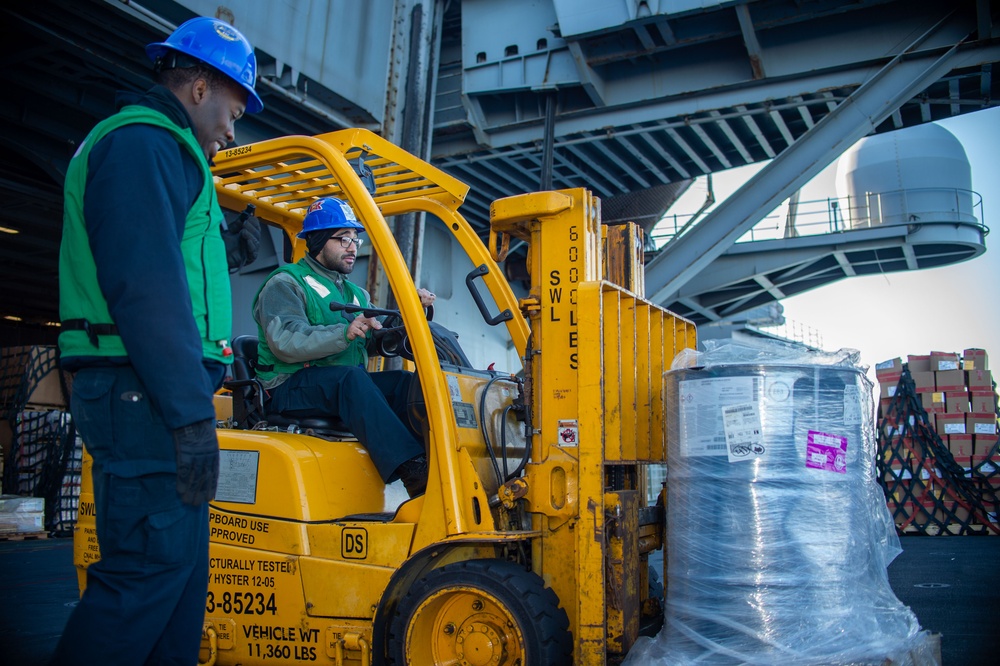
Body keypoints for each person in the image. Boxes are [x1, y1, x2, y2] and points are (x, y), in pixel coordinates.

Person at [52, 16, 263, 666]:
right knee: (146, 574)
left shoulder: (169, 154)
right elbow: (146, 285)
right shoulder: (144, 142)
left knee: (179, 585)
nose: (235, 126)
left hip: (156, 391)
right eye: (234, 107)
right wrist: (190, 412)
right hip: (141, 390)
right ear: (199, 87)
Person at [252, 197, 432, 498]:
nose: (353, 247)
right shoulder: (285, 284)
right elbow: (285, 341)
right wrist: (345, 332)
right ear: (319, 240)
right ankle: (411, 469)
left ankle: (433, 460)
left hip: (336, 383)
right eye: (343, 239)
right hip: (289, 386)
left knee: (404, 383)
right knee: (351, 379)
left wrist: (409, 319)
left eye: (356, 239)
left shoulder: (355, 293)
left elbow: (373, 338)